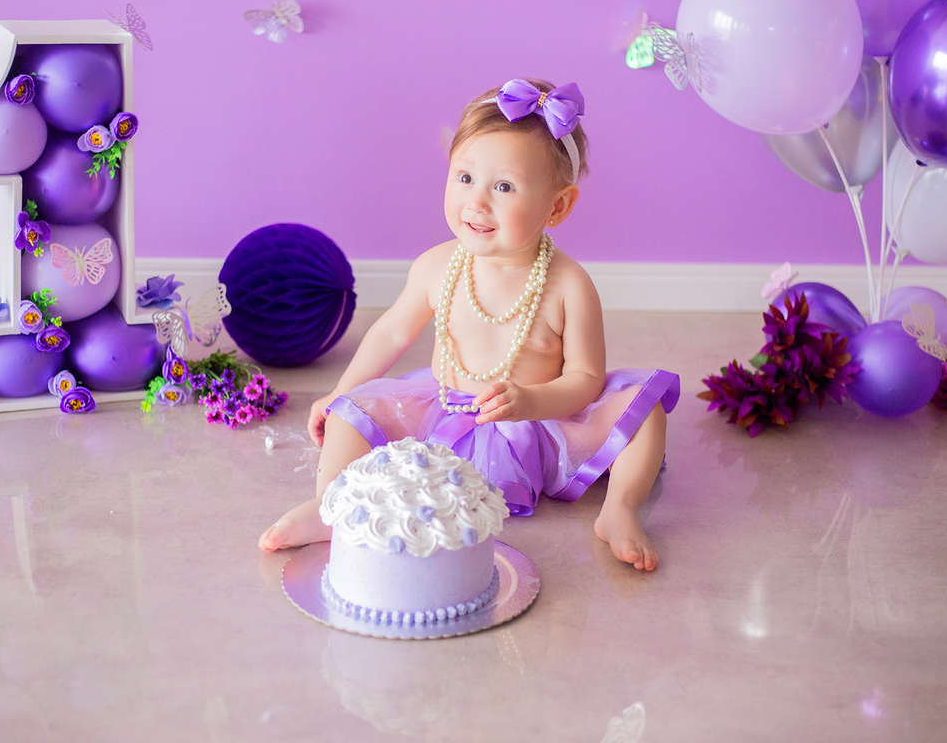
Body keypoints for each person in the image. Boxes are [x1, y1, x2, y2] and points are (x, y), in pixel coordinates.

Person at [259, 78, 680, 570]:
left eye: (504, 187)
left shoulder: (569, 285)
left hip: (534, 421)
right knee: (351, 412)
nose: (477, 202)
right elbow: (393, 332)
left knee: (647, 408)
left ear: (558, 206)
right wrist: (339, 391)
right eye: (464, 178)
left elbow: (586, 381)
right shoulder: (438, 265)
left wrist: (530, 401)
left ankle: (619, 511)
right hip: (441, 407)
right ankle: (333, 505)